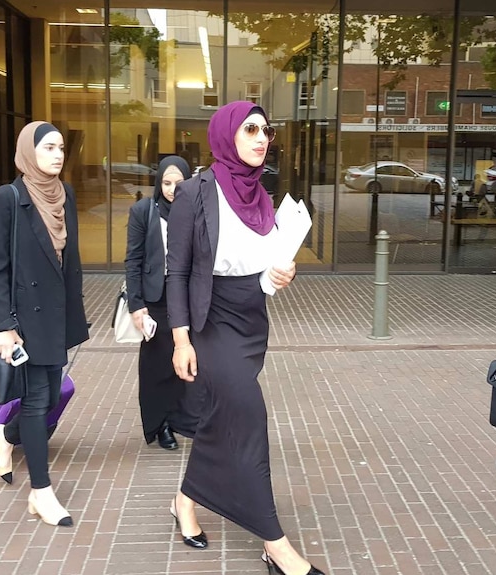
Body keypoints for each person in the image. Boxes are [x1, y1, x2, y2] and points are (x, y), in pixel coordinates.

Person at [166, 101, 324, 575]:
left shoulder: (263, 196)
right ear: (226, 134)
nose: (261, 138)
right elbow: (176, 273)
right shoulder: (195, 192)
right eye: (250, 129)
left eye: (266, 130)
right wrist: (180, 340)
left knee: (221, 417)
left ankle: (184, 500)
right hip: (208, 320)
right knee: (248, 415)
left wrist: (283, 272)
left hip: (250, 319)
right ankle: (275, 544)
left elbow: (265, 271)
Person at [0, 121, 89, 527]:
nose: (57, 155)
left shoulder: (66, 196)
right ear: (29, 152)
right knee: (40, 400)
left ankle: (2, 437)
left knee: (40, 399)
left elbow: (68, 262)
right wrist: (3, 326)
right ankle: (41, 493)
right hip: (24, 321)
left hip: (55, 316)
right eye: (47, 148)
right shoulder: (6, 199)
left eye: (61, 147)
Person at [124, 155, 201, 450]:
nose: (171, 189)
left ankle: (184, 419)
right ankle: (161, 425)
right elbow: (133, 259)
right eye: (166, 183)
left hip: (188, 296)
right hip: (155, 298)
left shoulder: (196, 211)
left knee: (186, 361)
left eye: (178, 183)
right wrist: (136, 304)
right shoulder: (144, 211)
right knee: (157, 365)